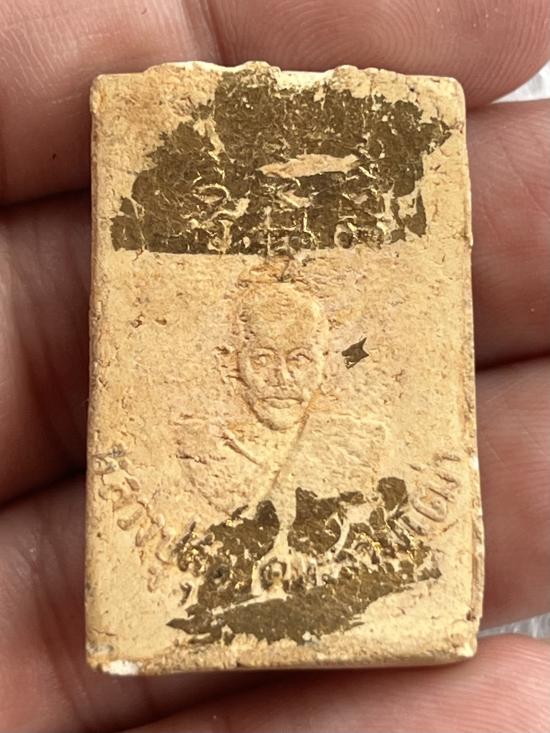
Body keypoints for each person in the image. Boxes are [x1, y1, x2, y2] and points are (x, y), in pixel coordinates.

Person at [0, 1, 548, 731]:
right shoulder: (201, 443)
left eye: (299, 359)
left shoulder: (357, 440)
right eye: (264, 358)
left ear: (323, 360)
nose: (284, 376)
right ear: (233, 361)